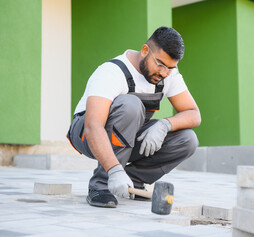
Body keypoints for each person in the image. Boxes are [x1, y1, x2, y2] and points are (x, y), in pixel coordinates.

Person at [66, 27, 201, 208]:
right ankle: (100, 185)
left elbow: (193, 113)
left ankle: (131, 181)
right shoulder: (111, 72)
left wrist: (165, 125)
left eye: (170, 68)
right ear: (145, 50)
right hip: (86, 133)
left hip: (126, 136)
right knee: (131, 105)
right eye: (160, 64)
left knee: (187, 140)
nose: (163, 73)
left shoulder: (168, 75)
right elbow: (93, 126)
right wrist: (113, 170)